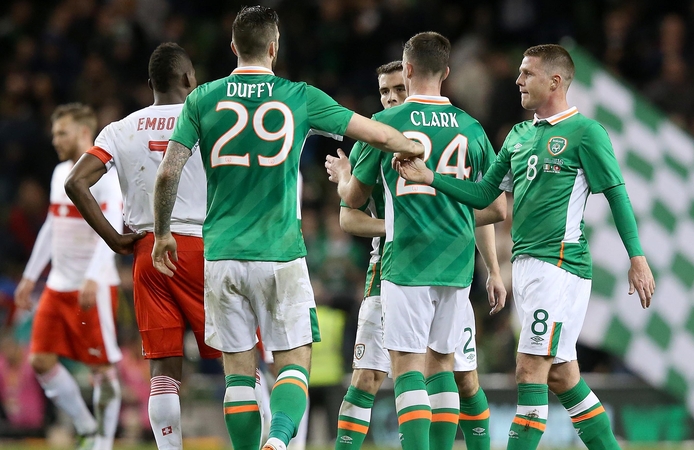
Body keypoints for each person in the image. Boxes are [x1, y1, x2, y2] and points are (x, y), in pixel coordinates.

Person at [149, 7, 422, 450]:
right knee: (294, 362)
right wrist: (412, 145)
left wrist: (162, 232)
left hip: (221, 254)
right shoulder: (298, 96)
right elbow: (373, 133)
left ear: (234, 47)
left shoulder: (201, 100)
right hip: (280, 253)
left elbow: (167, 173)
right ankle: (277, 442)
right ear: (274, 48)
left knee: (238, 372)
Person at [396, 44, 656, 450]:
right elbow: (484, 194)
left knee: (529, 369)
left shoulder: (586, 133)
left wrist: (636, 257)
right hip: (528, 267)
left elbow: (617, 195)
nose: (517, 80)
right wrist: (431, 178)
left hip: (560, 265)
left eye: (526, 73)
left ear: (554, 81)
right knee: (562, 375)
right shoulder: (518, 135)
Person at [64, 43, 263, 450]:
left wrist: (115, 239)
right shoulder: (211, 120)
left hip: (148, 252)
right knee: (240, 363)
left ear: (150, 83)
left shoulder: (120, 128)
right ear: (190, 79)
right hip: (205, 248)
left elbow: (75, 182)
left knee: (163, 370)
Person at [330, 32, 506, 450]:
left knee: (407, 366)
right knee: (442, 364)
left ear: (407, 71)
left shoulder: (384, 126)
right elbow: (497, 207)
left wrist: (342, 180)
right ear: (447, 72)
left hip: (406, 258)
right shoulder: (472, 127)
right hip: (457, 262)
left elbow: (353, 201)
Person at [14, 103, 124, 450]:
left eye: (61, 132)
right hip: (58, 284)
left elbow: (114, 226)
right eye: (54, 132)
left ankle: (102, 442)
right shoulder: (59, 172)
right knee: (40, 360)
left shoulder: (105, 174)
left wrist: (93, 276)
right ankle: (86, 426)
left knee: (102, 369)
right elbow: (52, 225)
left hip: (94, 286)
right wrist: (31, 275)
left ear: (82, 132)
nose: (55, 139)